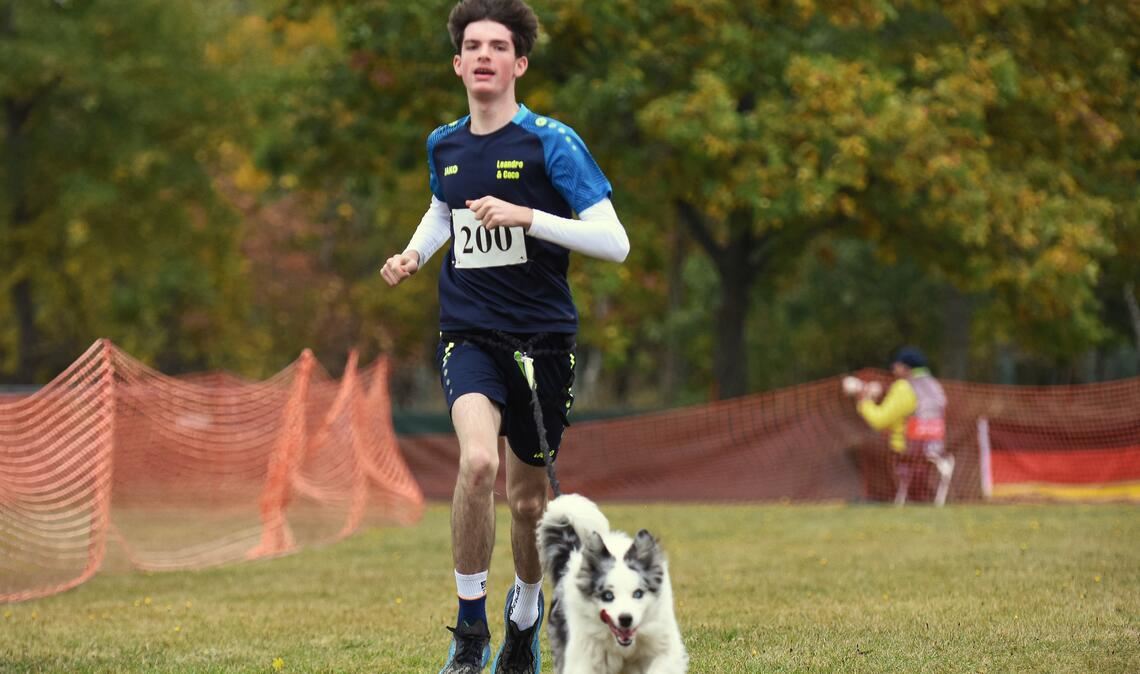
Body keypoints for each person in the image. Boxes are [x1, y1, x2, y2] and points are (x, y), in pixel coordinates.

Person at [380, 1, 629, 672]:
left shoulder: (553, 142)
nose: (484, 55)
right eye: (473, 45)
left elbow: (616, 241)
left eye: (498, 46)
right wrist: (413, 255)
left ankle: (523, 615)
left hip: (543, 339)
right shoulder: (444, 144)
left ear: (518, 63)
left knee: (526, 503)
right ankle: (468, 631)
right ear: (458, 63)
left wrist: (530, 216)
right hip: (469, 331)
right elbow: (442, 208)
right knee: (477, 465)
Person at [851, 347, 954, 506]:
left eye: (896, 365)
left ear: (905, 367)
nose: (892, 369)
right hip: (936, 450)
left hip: (908, 450)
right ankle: (919, 499)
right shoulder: (935, 386)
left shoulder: (903, 387)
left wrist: (863, 401)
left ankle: (878, 499)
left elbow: (879, 420)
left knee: (869, 449)